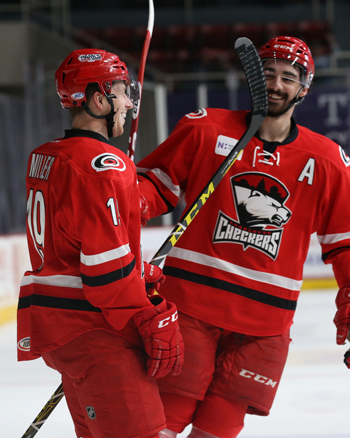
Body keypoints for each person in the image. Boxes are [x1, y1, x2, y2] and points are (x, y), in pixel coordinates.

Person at [136, 36, 350, 438]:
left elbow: (346, 245)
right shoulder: (205, 128)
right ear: (251, 76)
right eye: (267, 72)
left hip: (265, 326)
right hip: (192, 309)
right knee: (163, 420)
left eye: (289, 77)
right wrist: (124, 198)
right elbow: (155, 185)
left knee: (220, 425)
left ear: (303, 89)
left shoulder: (327, 162)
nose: (276, 84)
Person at [17, 48, 184, 438]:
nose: (128, 103)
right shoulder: (104, 166)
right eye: (122, 92)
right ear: (98, 99)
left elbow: (73, 245)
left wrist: (137, 270)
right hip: (97, 331)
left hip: (61, 329)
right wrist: (149, 312)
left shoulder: (44, 157)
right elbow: (106, 276)